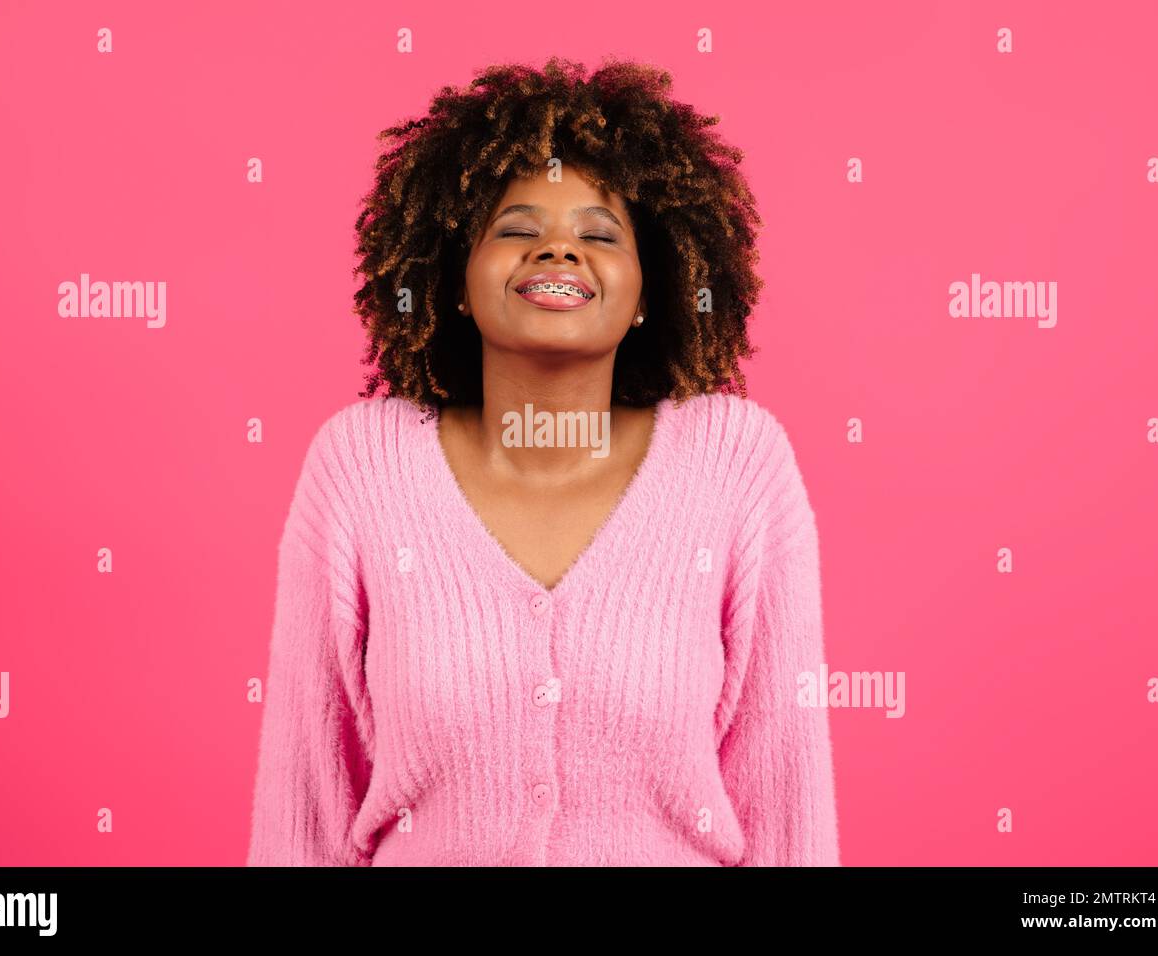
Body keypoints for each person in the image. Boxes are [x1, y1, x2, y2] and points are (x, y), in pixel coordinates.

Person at [247, 56, 841, 866]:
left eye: (600, 235)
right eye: (517, 230)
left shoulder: (736, 466)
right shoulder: (361, 468)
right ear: (457, 279)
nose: (558, 251)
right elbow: (305, 802)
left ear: (645, 290)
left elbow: (786, 802)